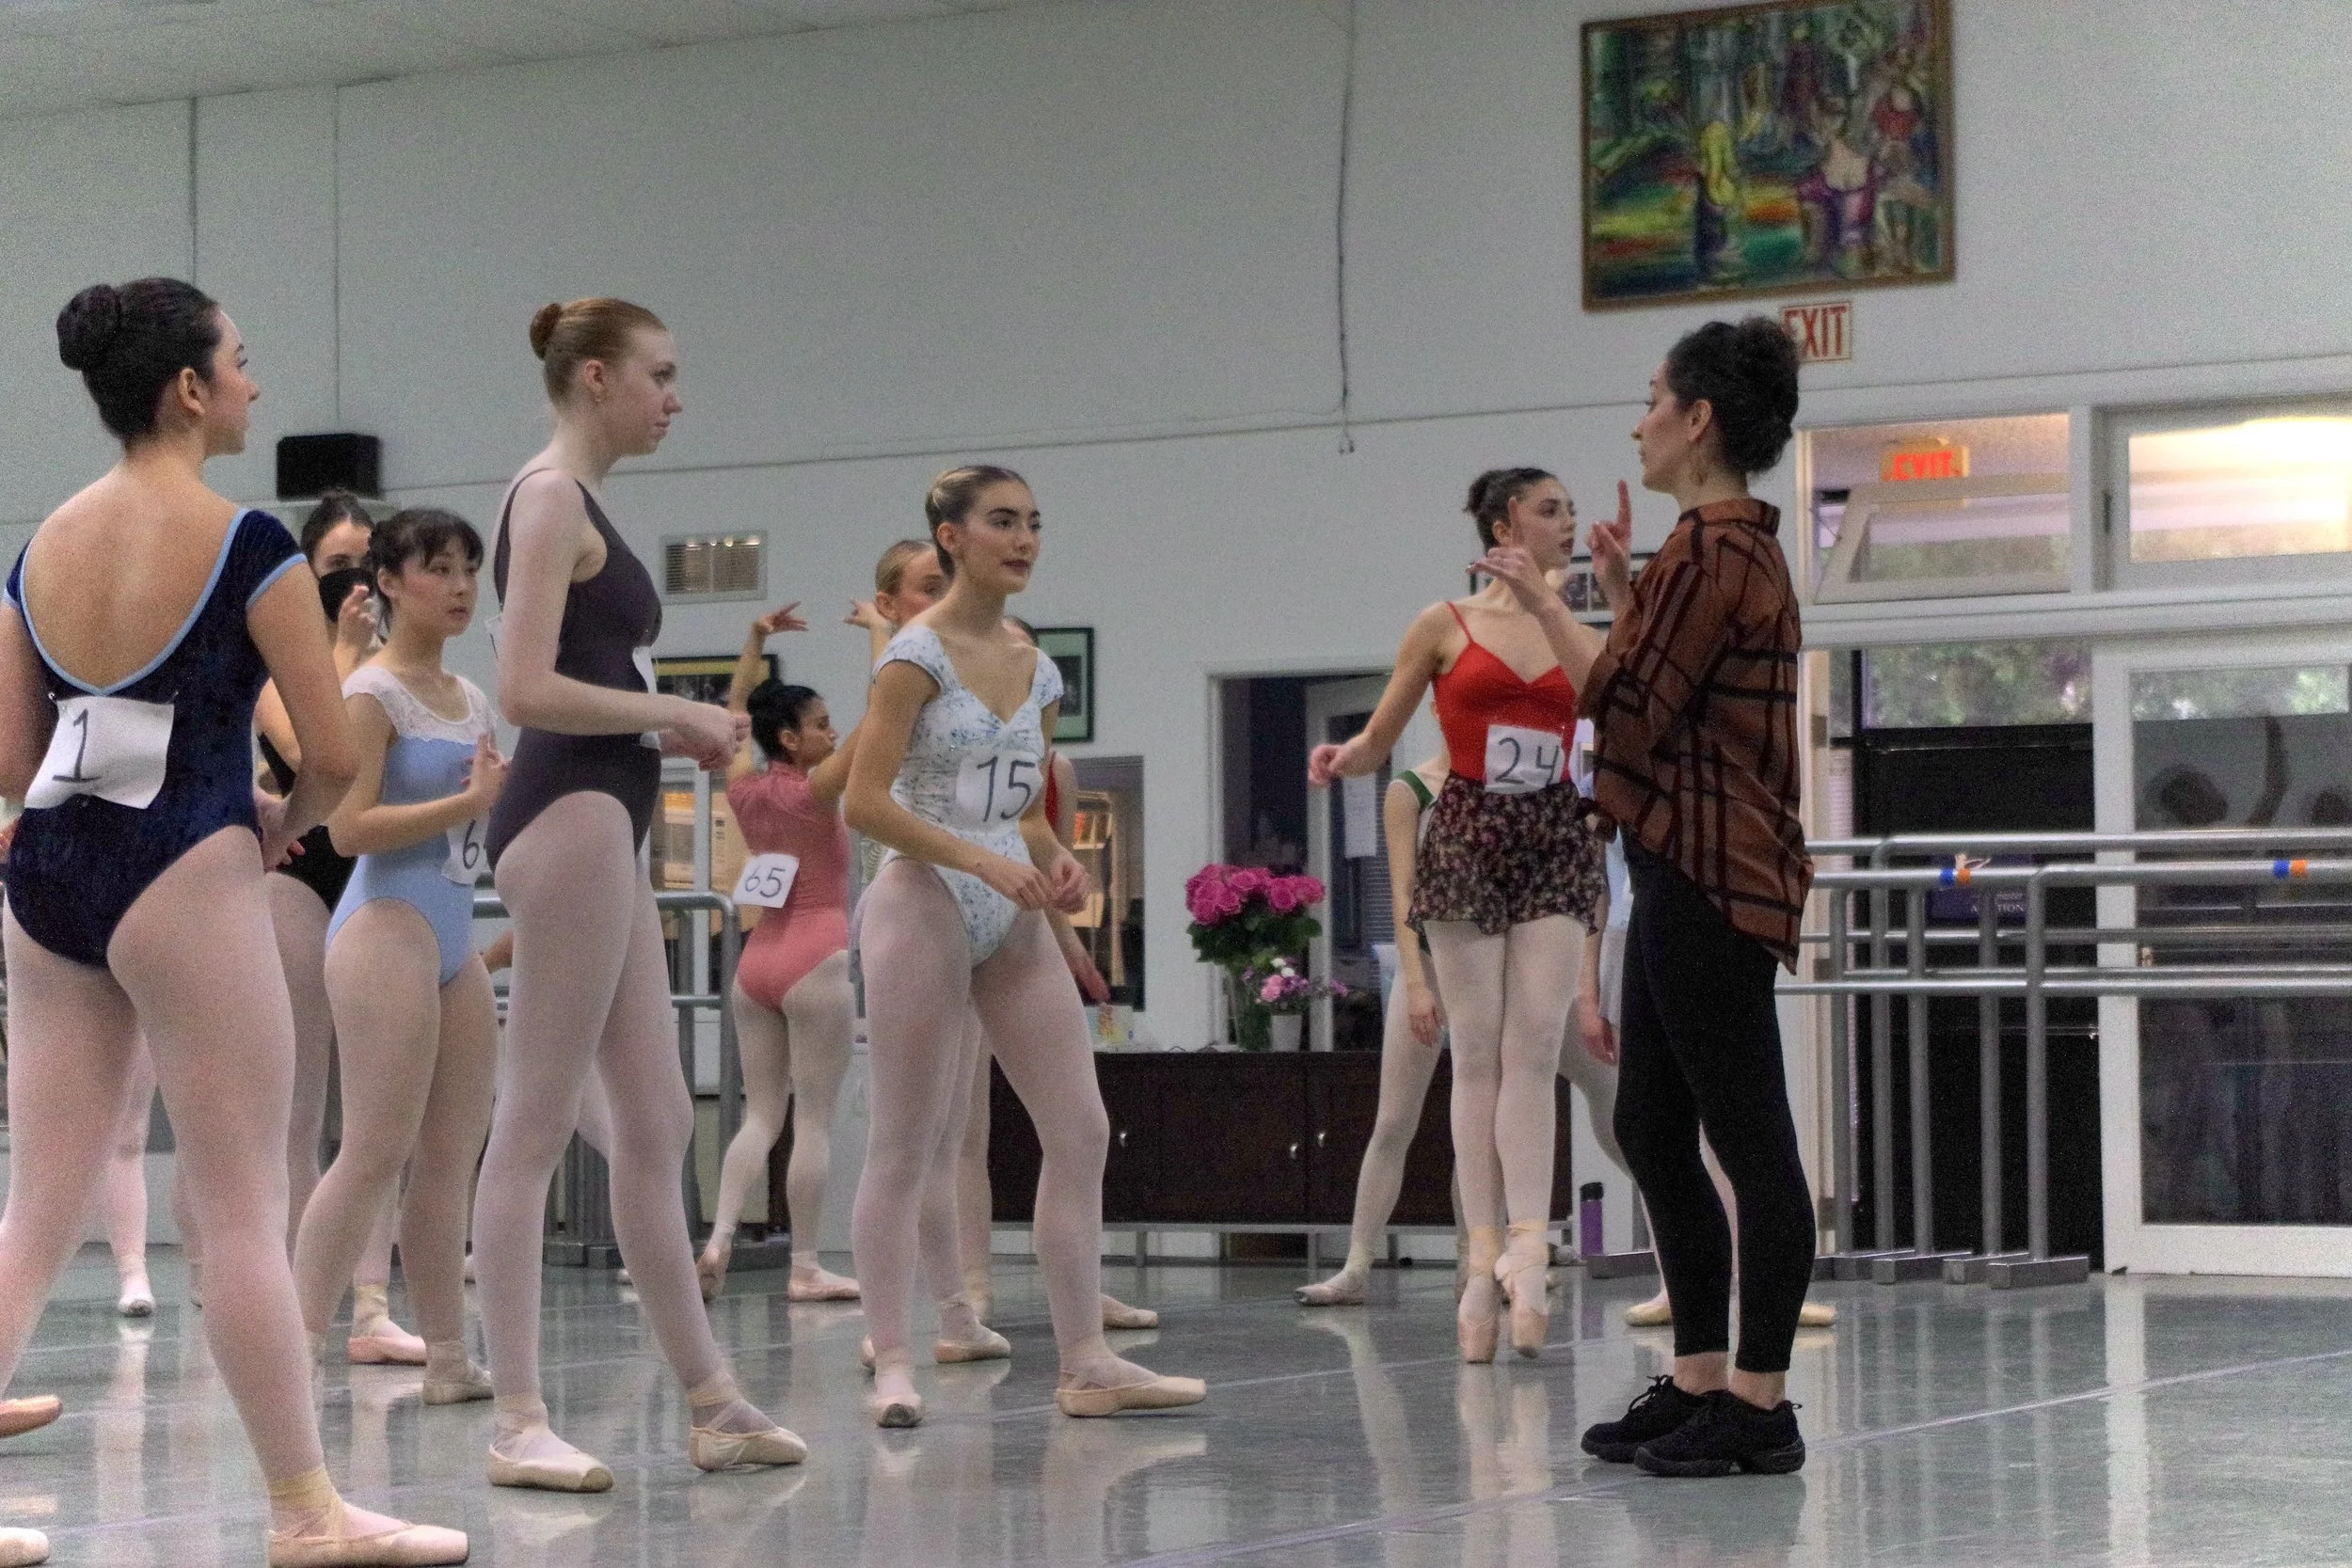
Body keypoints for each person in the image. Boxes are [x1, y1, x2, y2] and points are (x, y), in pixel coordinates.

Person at [0, 277, 463, 1565]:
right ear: (189, 389)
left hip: (48, 871)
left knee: (36, 1200)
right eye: (242, 364)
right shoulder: (248, 540)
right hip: (185, 868)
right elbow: (326, 749)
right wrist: (275, 820)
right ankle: (306, 1509)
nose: (255, 385)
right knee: (245, 1200)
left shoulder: (39, 545)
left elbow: (10, 758)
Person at [470, 296, 803, 1491]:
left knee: (656, 1124)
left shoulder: (581, 501)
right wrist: (673, 711)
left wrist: (664, 734)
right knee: (535, 1119)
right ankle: (515, 1414)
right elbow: (523, 687)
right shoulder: (550, 496)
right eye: (662, 375)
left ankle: (712, 1399)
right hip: (563, 820)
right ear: (597, 377)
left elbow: (583, 685)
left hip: (601, 812)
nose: (677, 397)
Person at [1491, 317, 1815, 1479]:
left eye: (1650, 400)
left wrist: (1550, 603)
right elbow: (1655, 689)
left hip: (1714, 870)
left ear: (1697, 420)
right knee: (1648, 1124)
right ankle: (1697, 1378)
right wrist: (1626, 594)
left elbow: (1621, 710)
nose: (1637, 421)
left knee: (1749, 1138)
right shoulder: (1710, 552)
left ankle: (1759, 1403)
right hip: (1689, 863)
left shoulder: (1716, 551)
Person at [844, 465, 1202, 1427]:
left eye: (1035, 523)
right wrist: (981, 858)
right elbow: (864, 802)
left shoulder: (1036, 664)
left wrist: (1061, 862)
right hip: (920, 898)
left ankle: (1085, 1358)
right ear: (950, 537)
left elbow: (1025, 808)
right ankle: (889, 1356)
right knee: (906, 1141)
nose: (1025, 539)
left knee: (1079, 1128)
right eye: (1003, 521)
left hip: (1012, 901)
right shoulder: (912, 658)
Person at [1309, 469, 1611, 1362]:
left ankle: (1530, 1239)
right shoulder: (1443, 623)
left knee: (1533, 1048)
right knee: (1475, 1055)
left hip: (1554, 831)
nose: (1567, 523)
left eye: (1569, 510)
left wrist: (1565, 607)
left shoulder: (1575, 627)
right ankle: (1480, 1263)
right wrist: (1346, 754)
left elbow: (1608, 696)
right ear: (1505, 519)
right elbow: (1382, 737)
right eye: (1552, 508)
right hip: (1470, 831)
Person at [290, 507, 504, 1408]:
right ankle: (292, 1350)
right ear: (386, 581)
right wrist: (462, 808)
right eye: (438, 569)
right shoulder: (370, 693)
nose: (458, 586)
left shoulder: (473, 697)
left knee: (452, 1152)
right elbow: (348, 825)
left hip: (452, 935)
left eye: (468, 569)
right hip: (382, 923)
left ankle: (450, 1357)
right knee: (374, 1145)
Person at [248, 490, 421, 1363]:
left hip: (377, 874)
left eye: (366, 568)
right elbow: (312, 751)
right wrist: (343, 651)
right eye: (334, 569)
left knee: (376, 1102)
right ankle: (286, 1287)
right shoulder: (287, 661)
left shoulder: (396, 666)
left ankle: (372, 1300)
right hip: (297, 873)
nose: (352, 584)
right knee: (297, 1099)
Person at [697, 601, 866, 1305]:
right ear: (793, 739)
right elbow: (885, 711)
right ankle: (803, 1264)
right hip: (817, 953)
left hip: (757, 961)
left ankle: (719, 1237)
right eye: (821, 723)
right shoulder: (819, 791)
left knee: (760, 1115)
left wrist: (756, 638)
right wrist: (885, 637)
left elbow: (734, 708)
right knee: (814, 1119)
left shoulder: (743, 787)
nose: (832, 731)